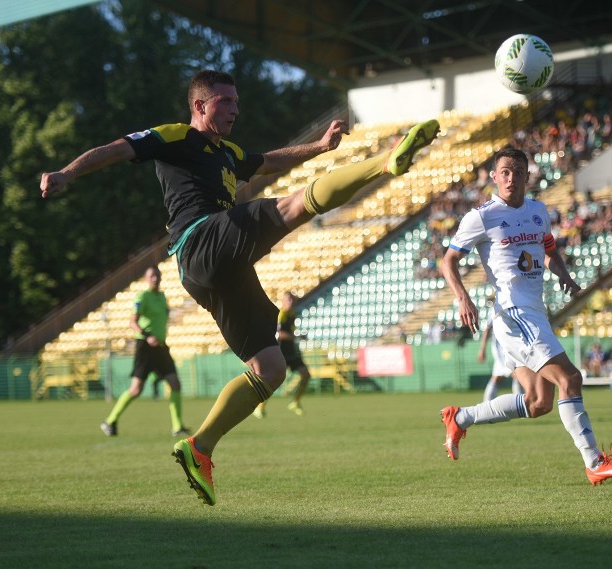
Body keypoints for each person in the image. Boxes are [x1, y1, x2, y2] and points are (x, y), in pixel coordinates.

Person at [41, 69, 440, 505]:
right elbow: (117, 149)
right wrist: (66, 172)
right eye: (225, 101)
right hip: (201, 240)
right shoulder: (175, 137)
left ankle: (199, 446)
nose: (235, 109)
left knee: (270, 369)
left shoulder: (228, 153)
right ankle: (385, 163)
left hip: (215, 269)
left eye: (236, 101)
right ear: (200, 106)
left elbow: (269, 160)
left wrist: (322, 147)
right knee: (293, 205)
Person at [438, 146, 612, 486]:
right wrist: (462, 298)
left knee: (539, 401)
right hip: (514, 314)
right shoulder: (482, 216)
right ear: (495, 177)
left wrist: (563, 274)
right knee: (570, 379)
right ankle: (594, 462)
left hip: (534, 312)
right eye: (505, 172)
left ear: (528, 176)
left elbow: (547, 251)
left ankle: (462, 417)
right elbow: (448, 260)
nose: (511, 178)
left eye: (518, 172)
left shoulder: (537, 212)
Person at [100, 265, 189, 437]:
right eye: (152, 276)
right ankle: (109, 421)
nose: (155, 278)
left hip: (161, 347)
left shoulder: (163, 297)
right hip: (146, 347)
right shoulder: (143, 296)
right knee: (136, 389)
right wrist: (147, 335)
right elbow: (132, 322)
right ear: (146, 279)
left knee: (175, 384)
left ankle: (177, 427)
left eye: (157, 275)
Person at [253, 291, 311, 417]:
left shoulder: (292, 314)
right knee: (274, 380)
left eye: (292, 299)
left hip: (292, 351)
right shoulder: (282, 314)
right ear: (284, 301)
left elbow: (289, 333)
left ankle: (295, 402)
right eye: (288, 299)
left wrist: (297, 337)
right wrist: (296, 337)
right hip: (281, 351)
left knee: (306, 375)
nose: (291, 301)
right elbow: (279, 334)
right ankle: (260, 407)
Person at [477, 315, 522, 402]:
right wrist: (482, 349)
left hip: (506, 346)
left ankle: (487, 404)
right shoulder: (496, 308)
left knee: (497, 377)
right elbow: (488, 329)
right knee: (517, 374)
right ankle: (521, 404)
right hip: (504, 348)